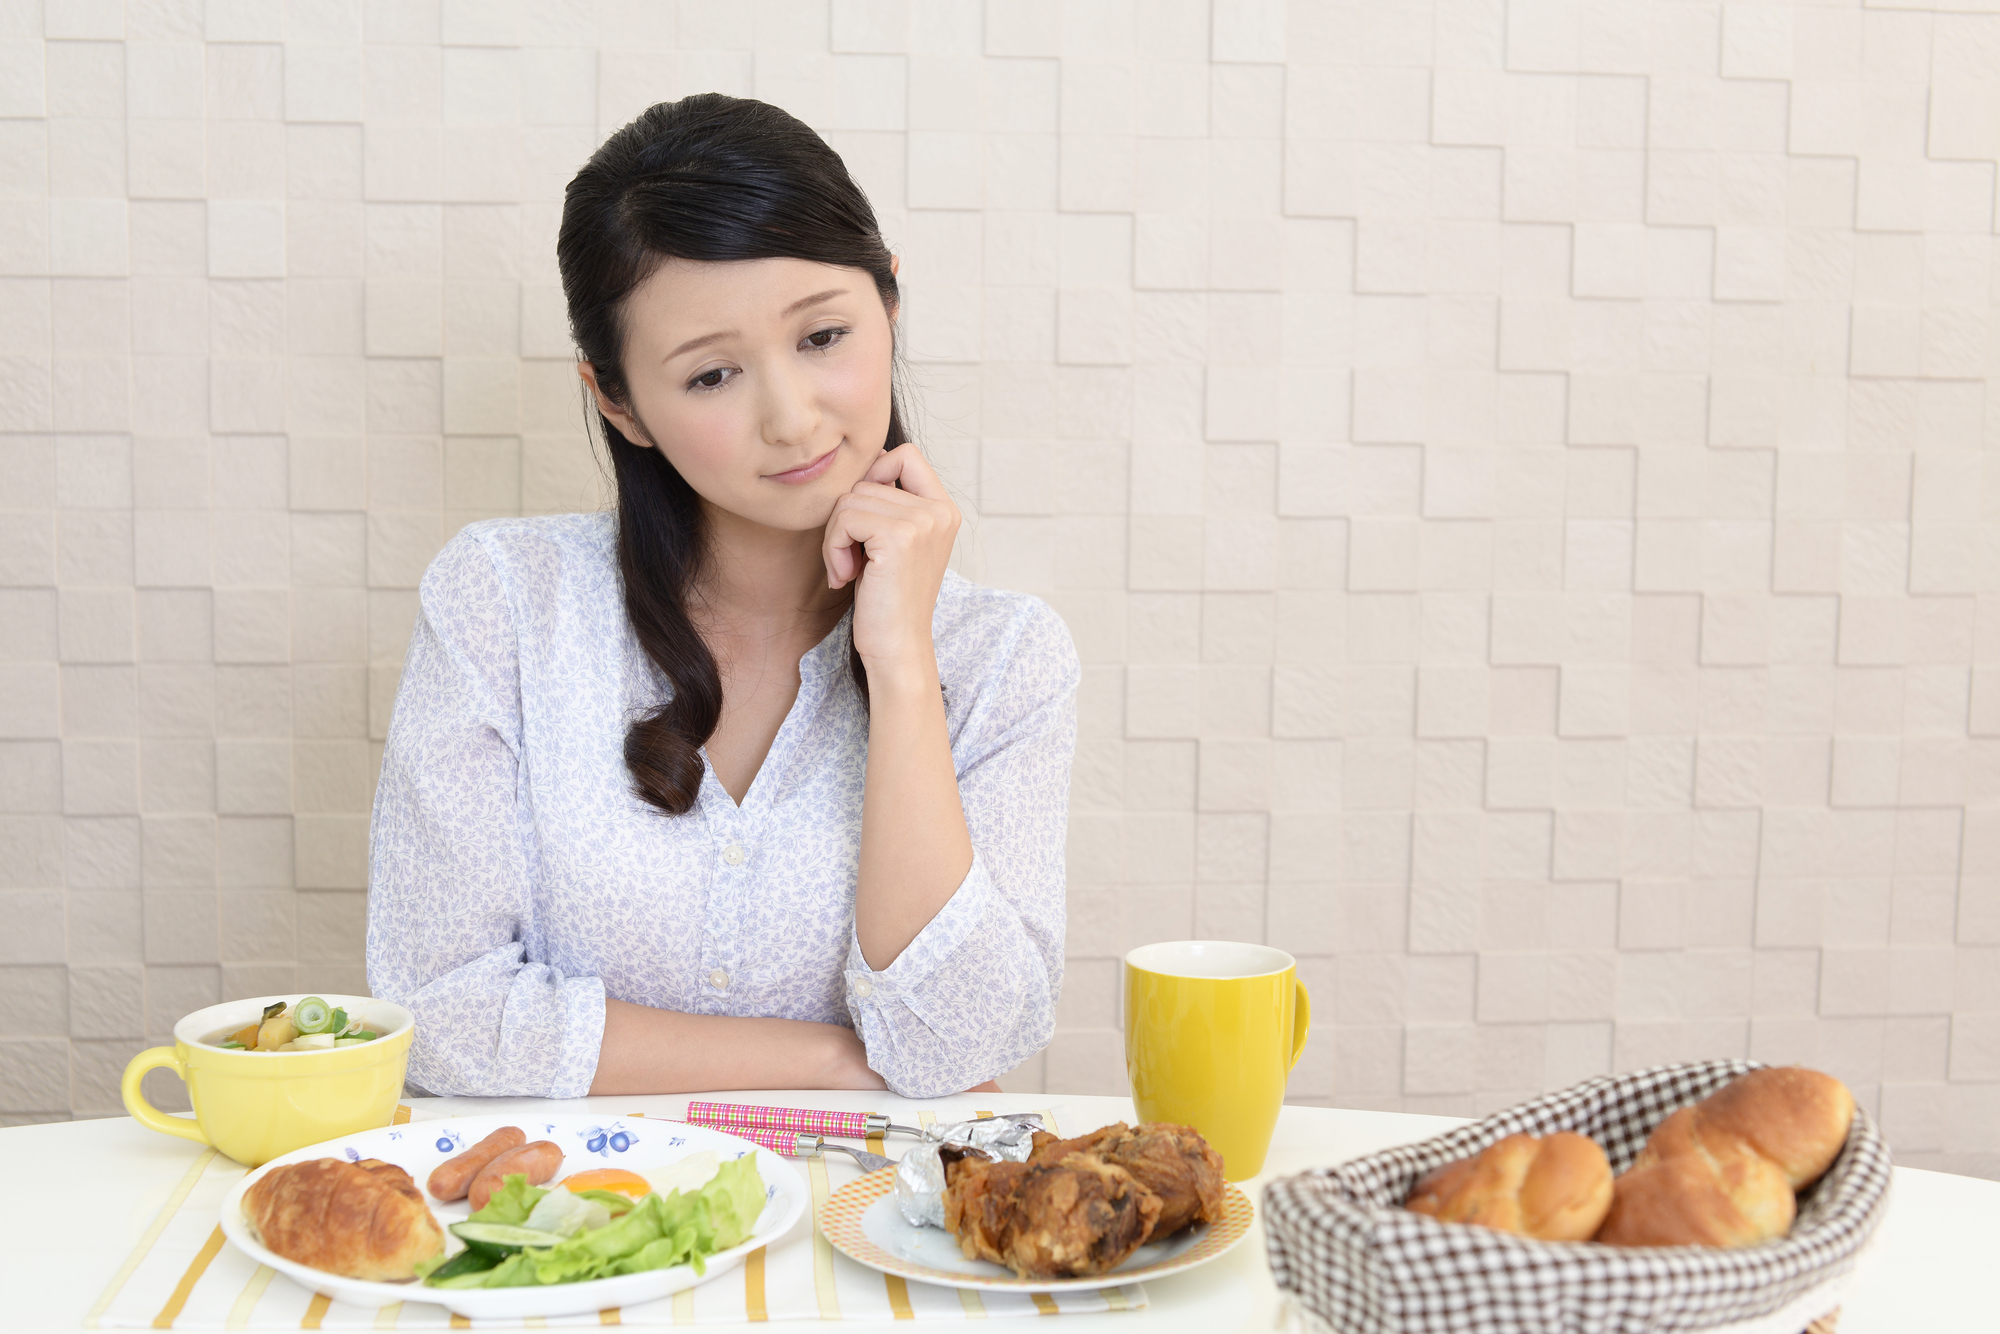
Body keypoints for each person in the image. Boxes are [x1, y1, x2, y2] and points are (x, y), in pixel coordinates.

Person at [365, 95, 1079, 1100]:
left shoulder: (1004, 656)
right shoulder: (503, 603)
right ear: (617, 401)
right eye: (710, 376)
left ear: (888, 303)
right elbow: (436, 1012)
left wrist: (902, 667)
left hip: (860, 1237)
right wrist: (832, 1063)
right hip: (577, 1236)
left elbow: (961, 1044)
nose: (791, 418)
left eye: (824, 335)